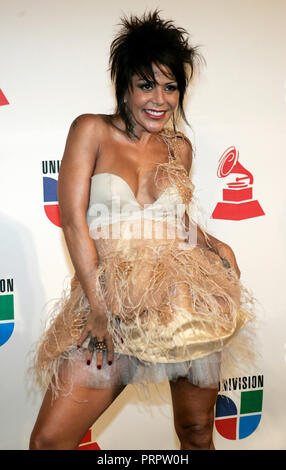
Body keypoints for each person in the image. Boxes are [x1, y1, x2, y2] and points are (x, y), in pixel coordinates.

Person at [29, 10, 256, 450]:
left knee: (195, 433)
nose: (160, 99)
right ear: (124, 85)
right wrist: (97, 306)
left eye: (170, 86)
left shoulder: (179, 147)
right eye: (147, 84)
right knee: (49, 442)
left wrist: (215, 244)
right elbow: (74, 221)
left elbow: (175, 222)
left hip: (183, 303)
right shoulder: (90, 130)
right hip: (109, 304)